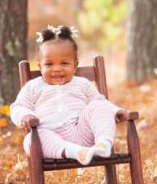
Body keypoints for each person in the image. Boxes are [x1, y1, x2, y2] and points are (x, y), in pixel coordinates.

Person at [10, 25, 129, 165]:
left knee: (98, 105)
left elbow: (99, 102)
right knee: (31, 139)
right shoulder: (33, 86)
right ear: (40, 66)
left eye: (64, 63)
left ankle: (103, 144)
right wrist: (25, 115)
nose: (57, 69)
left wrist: (115, 110)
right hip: (53, 139)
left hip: (84, 133)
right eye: (49, 64)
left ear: (75, 65)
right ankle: (76, 152)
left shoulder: (82, 84)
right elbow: (18, 107)